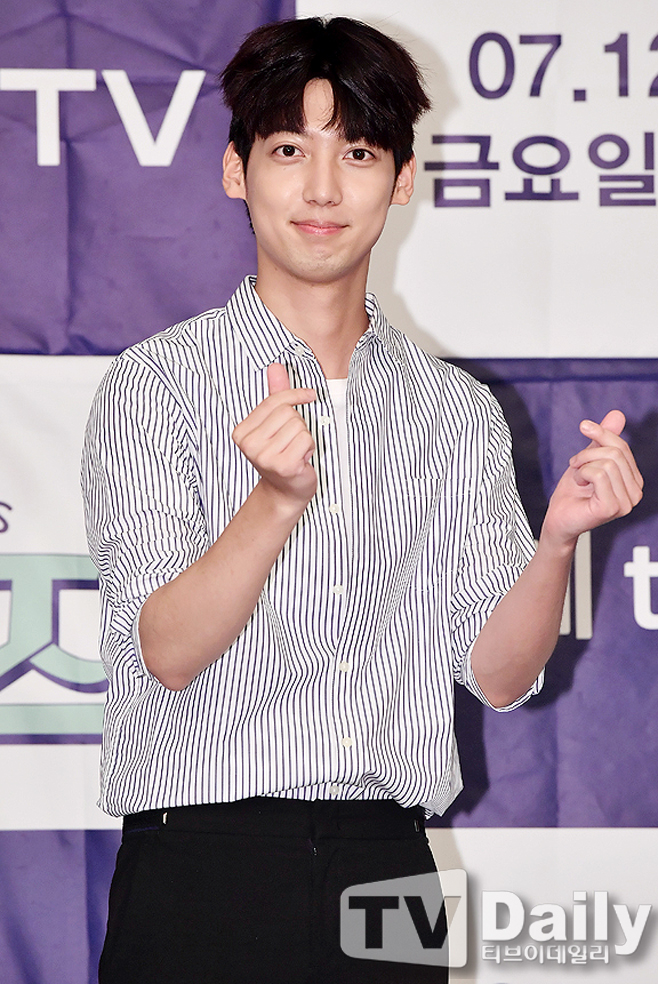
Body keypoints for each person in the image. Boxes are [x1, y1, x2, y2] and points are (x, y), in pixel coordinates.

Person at [81, 16, 644, 984]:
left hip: (390, 863)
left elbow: (498, 676)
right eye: (288, 151)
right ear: (236, 171)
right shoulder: (156, 386)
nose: (322, 188)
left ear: (402, 180)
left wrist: (557, 543)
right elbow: (164, 651)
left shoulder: (455, 412)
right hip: (203, 864)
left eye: (357, 153)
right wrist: (272, 503)